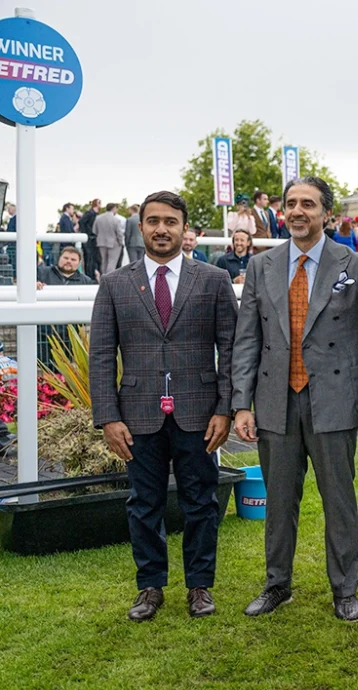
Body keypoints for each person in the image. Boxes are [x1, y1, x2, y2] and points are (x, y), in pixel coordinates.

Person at [231, 176, 358, 622]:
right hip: (276, 400)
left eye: (308, 205)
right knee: (279, 502)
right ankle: (277, 585)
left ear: (326, 214)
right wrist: (241, 403)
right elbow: (246, 341)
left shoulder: (352, 263)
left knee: (338, 499)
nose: (297, 211)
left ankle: (345, 590)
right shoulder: (262, 266)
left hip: (333, 400)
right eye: (291, 204)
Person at [90, 191, 238, 622]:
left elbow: (228, 349)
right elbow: (101, 354)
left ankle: (200, 586)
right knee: (143, 503)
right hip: (136, 415)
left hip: (200, 412)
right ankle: (150, 586)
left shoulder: (212, 280)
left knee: (201, 502)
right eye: (153, 221)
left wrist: (225, 409)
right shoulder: (115, 284)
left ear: (184, 228)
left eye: (170, 221)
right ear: (141, 227)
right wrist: (108, 417)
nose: (161, 229)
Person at [94, 203, 125, 278]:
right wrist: (121, 243)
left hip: (101, 242)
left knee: (104, 262)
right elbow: (119, 233)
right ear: (114, 208)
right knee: (112, 262)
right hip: (114, 243)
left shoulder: (98, 218)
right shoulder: (116, 220)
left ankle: (104, 277)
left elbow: (94, 230)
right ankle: (110, 278)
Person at [79, 199, 102, 278]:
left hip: (93, 239)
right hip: (89, 239)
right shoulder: (90, 213)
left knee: (94, 259)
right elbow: (81, 222)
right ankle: (89, 275)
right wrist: (87, 233)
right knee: (89, 258)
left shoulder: (96, 214)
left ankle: (92, 275)